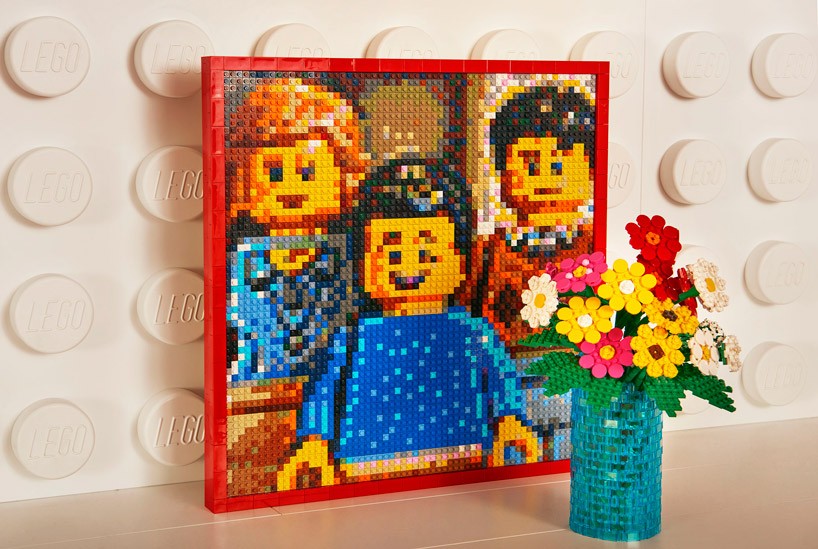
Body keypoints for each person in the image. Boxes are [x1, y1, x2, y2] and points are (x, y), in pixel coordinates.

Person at [223, 77, 366, 495]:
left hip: (332, 399)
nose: (290, 187)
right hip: (254, 398)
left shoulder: (350, 258)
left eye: (307, 172)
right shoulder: (242, 262)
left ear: (343, 177)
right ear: (243, 180)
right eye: (273, 172)